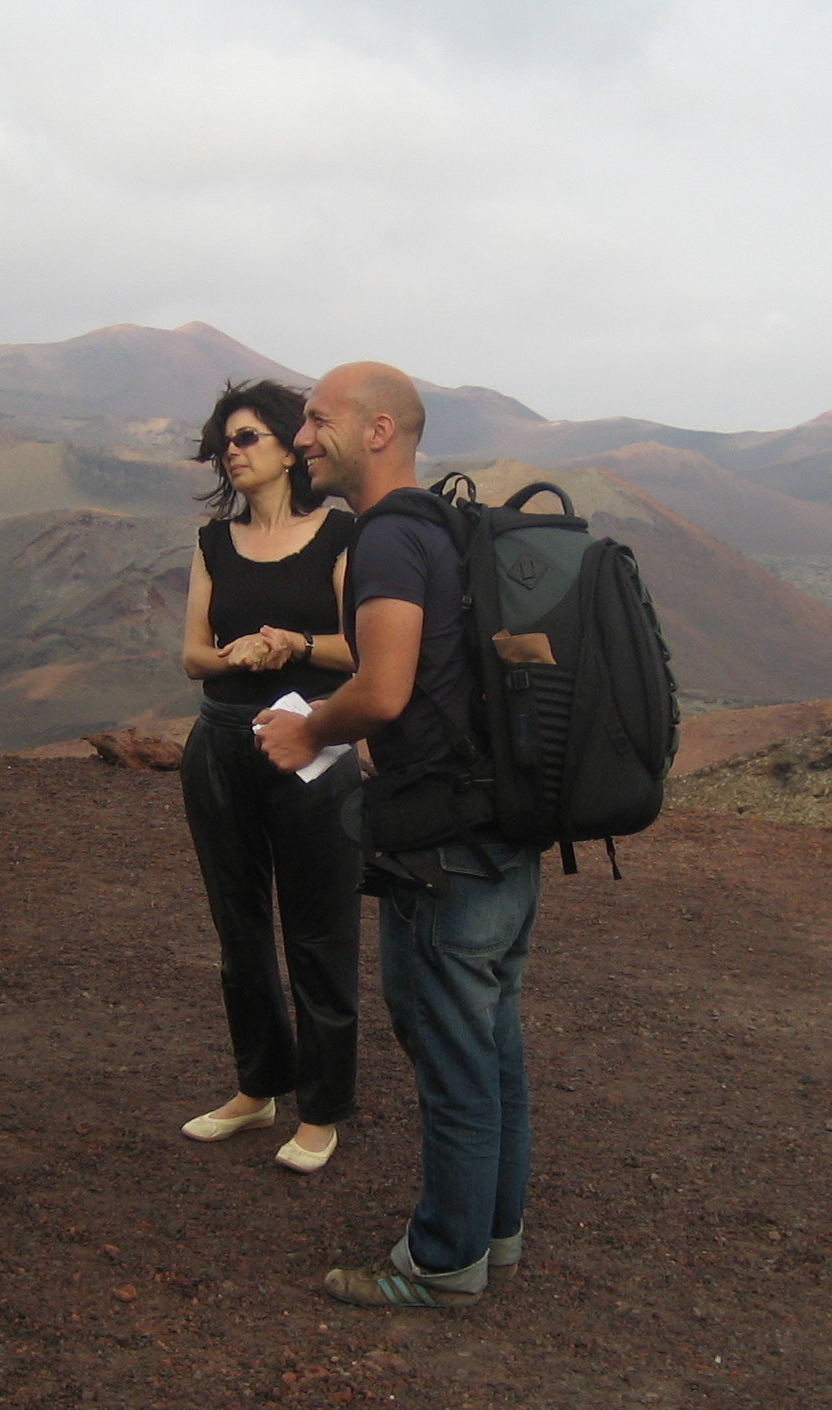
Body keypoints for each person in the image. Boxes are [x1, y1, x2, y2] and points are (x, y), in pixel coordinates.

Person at [256, 363, 541, 1306]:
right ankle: (494, 1236)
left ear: (381, 432)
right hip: (504, 827)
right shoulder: (451, 527)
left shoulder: (386, 539)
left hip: (443, 846)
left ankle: (444, 1262)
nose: (302, 438)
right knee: (492, 1044)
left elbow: (381, 690)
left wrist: (308, 729)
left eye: (317, 420)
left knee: (452, 1051)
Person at [177, 379, 362, 1172]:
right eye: (227, 439)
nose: (233, 450)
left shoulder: (340, 534)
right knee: (238, 927)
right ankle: (259, 1087)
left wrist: (292, 643)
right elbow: (191, 655)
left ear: (291, 446)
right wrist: (235, 654)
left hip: (314, 746)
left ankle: (322, 1108)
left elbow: (364, 651)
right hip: (221, 743)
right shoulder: (213, 541)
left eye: (248, 436)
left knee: (320, 928)